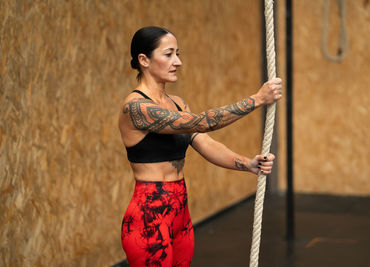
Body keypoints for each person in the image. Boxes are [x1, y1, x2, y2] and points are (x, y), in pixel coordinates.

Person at [118, 26, 282, 267]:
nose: (178, 61)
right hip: (149, 218)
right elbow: (202, 123)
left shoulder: (177, 104)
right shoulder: (136, 108)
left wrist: (247, 164)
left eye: (178, 53)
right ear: (144, 59)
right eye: (169, 54)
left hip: (180, 214)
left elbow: (204, 142)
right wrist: (256, 99)